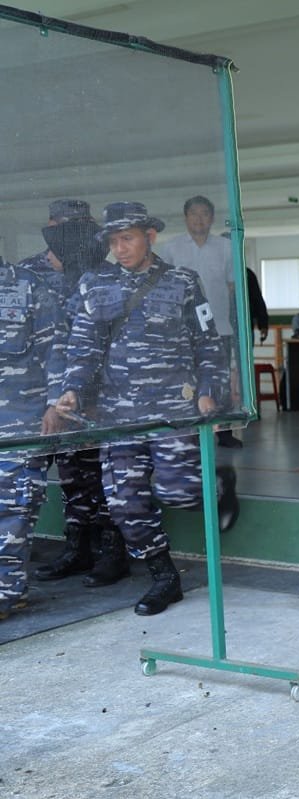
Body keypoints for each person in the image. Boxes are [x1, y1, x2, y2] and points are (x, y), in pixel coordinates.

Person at [55, 201, 240, 615]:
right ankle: (164, 577)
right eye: (113, 241)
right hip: (118, 414)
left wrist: (210, 389)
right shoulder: (93, 284)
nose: (119, 248)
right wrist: (72, 390)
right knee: (125, 502)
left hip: (171, 408)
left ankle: (218, 483)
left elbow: (209, 341)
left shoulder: (183, 282)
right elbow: (82, 348)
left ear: (150, 237)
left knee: (180, 491)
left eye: (128, 238)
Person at [18, 200, 130, 588]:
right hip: (47, 393)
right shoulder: (28, 273)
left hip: (95, 392)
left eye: (82, 227)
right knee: (70, 476)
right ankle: (78, 548)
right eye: (66, 226)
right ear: (51, 227)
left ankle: (112, 553)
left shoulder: (106, 273)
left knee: (103, 473)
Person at [0, 260, 67, 620]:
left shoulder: (28, 286)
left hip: (20, 422)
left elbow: (55, 349)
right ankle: (13, 590)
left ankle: (4, 594)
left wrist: (54, 405)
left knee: (12, 509)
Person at [159, 196, 243, 447]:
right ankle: (190, 430)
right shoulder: (171, 248)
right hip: (183, 332)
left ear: (212, 217)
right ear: (186, 218)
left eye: (204, 213)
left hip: (220, 327)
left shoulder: (226, 248)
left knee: (221, 380)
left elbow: (230, 285)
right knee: (187, 378)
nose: (199, 218)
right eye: (194, 213)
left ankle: (224, 431)